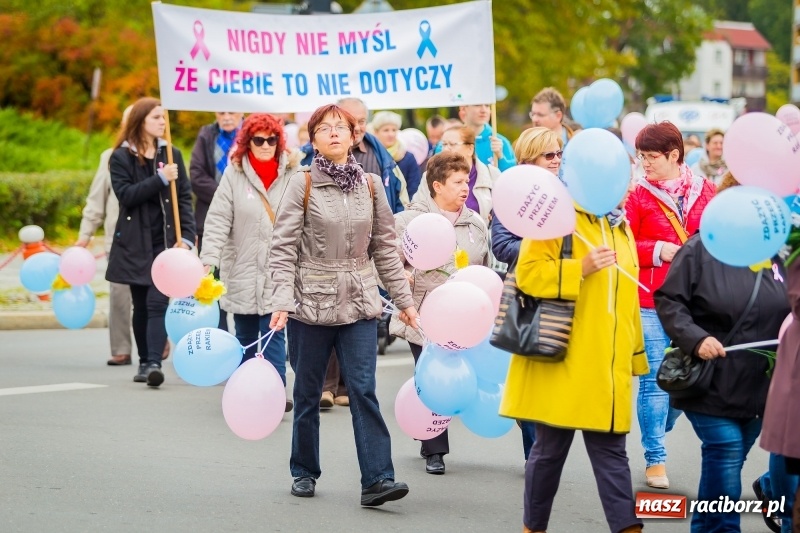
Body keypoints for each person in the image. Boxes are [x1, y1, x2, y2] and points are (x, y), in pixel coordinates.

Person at [268, 103, 418, 506]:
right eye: (324, 128)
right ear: (313, 138)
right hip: (310, 303)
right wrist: (281, 300)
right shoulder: (301, 184)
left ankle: (378, 480)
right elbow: (281, 249)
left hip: (360, 303)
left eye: (342, 127)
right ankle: (304, 470)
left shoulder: (371, 185)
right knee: (308, 393)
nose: (334, 133)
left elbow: (385, 248)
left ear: (355, 137)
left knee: (364, 390)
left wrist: (403, 302)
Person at [500, 175, 647, 533]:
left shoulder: (619, 225)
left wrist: (634, 357)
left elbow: (627, 299)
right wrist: (579, 268)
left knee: (612, 453)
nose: (630, 186)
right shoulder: (557, 218)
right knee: (549, 453)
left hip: (605, 366)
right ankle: (533, 528)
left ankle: (627, 527)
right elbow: (530, 275)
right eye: (623, 179)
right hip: (562, 361)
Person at [655, 174, 789, 533]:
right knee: (726, 451)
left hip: (760, 388)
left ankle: (705, 526)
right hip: (710, 382)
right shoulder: (700, 250)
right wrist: (696, 339)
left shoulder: (776, 253)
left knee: (726, 462)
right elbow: (669, 301)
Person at [625, 120, 715, 489]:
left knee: (681, 383)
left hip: (694, 303)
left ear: (674, 155)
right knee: (653, 382)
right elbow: (624, 245)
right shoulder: (636, 194)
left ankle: (658, 427)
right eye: (641, 156)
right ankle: (655, 459)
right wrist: (658, 250)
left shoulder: (705, 191)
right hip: (649, 299)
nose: (644, 163)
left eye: (650, 157)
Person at [392, 151, 489, 475]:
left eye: (467, 181)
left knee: (458, 378)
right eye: (458, 182)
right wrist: (401, 279)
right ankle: (436, 449)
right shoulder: (409, 221)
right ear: (437, 185)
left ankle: (428, 431)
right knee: (433, 375)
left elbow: (485, 267)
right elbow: (387, 263)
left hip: (467, 318)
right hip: (423, 316)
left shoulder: (475, 223)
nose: (465, 188)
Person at [199, 113, 300, 413]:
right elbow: (217, 220)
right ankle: (245, 394)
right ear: (248, 142)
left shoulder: (294, 174)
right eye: (259, 139)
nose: (266, 145)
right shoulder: (234, 174)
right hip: (241, 269)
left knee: (273, 337)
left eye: (272, 139)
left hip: (278, 271)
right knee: (243, 338)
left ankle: (275, 395)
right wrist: (208, 261)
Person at [313, 98, 410, 409]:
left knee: (354, 330)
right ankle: (327, 386)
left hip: (362, 266)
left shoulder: (376, 160)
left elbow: (388, 224)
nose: (353, 127)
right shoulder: (308, 171)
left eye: (357, 122)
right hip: (323, 269)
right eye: (342, 122)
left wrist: (403, 298)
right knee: (329, 326)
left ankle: (346, 387)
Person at [106, 97, 196, 387]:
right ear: (141, 121)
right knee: (141, 304)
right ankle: (144, 361)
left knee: (158, 301)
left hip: (165, 242)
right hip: (134, 243)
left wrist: (187, 237)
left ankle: (155, 362)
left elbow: (184, 197)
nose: (162, 122)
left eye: (163, 117)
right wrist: (159, 178)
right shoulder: (120, 157)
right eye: (156, 117)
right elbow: (126, 196)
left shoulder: (171, 154)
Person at [491, 126, 563, 461]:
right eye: (550, 154)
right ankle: (536, 456)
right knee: (530, 377)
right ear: (530, 157)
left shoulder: (567, 192)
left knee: (555, 379)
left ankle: (544, 450)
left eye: (560, 154)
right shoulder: (510, 193)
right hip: (526, 296)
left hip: (563, 291)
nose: (556, 160)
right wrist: (545, 246)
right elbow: (502, 246)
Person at [76, 105, 133, 367]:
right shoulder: (109, 157)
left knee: (155, 299)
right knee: (119, 295)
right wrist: (84, 236)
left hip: (154, 240)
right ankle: (121, 348)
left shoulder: (163, 155)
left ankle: (156, 342)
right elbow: (96, 199)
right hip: (118, 239)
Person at [190, 111, 243, 332]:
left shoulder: (253, 135)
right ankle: (219, 333)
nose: (227, 117)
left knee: (241, 281)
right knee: (213, 279)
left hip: (245, 220)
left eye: (232, 112)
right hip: (210, 219)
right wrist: (228, 194)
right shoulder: (206, 135)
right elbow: (197, 175)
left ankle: (245, 339)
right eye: (222, 112)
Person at [414, 125, 498, 225]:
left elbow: (502, 217)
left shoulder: (492, 174)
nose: (446, 149)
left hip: (479, 238)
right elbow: (416, 211)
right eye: (444, 144)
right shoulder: (430, 176)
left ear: (470, 149)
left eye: (452, 144)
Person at [440, 104, 515, 171]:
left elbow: (511, 177)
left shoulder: (500, 142)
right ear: (463, 109)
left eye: (487, 106)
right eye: (477, 105)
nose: (483, 110)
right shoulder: (446, 142)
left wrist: (501, 157)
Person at [371, 111, 422, 198]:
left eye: (394, 130)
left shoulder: (408, 157)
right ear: (376, 132)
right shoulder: (370, 156)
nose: (391, 134)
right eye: (386, 130)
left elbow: (414, 189)